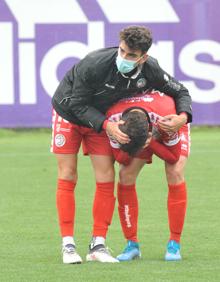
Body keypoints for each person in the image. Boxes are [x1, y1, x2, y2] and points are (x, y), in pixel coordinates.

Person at [51, 25, 192, 264]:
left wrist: (182, 117)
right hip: (68, 113)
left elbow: (181, 91)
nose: (124, 58)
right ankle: (68, 245)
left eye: (132, 55)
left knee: (106, 176)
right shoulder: (94, 64)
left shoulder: (151, 69)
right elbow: (76, 104)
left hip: (103, 119)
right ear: (119, 45)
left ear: (143, 57)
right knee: (68, 172)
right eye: (123, 51)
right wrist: (107, 125)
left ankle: (98, 245)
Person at [105, 90, 190, 261]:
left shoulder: (166, 117)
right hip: (138, 130)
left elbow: (172, 156)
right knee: (125, 174)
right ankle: (132, 244)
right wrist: (134, 144)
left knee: (174, 172)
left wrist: (151, 142)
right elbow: (121, 158)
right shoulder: (114, 121)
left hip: (166, 126)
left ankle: (174, 244)